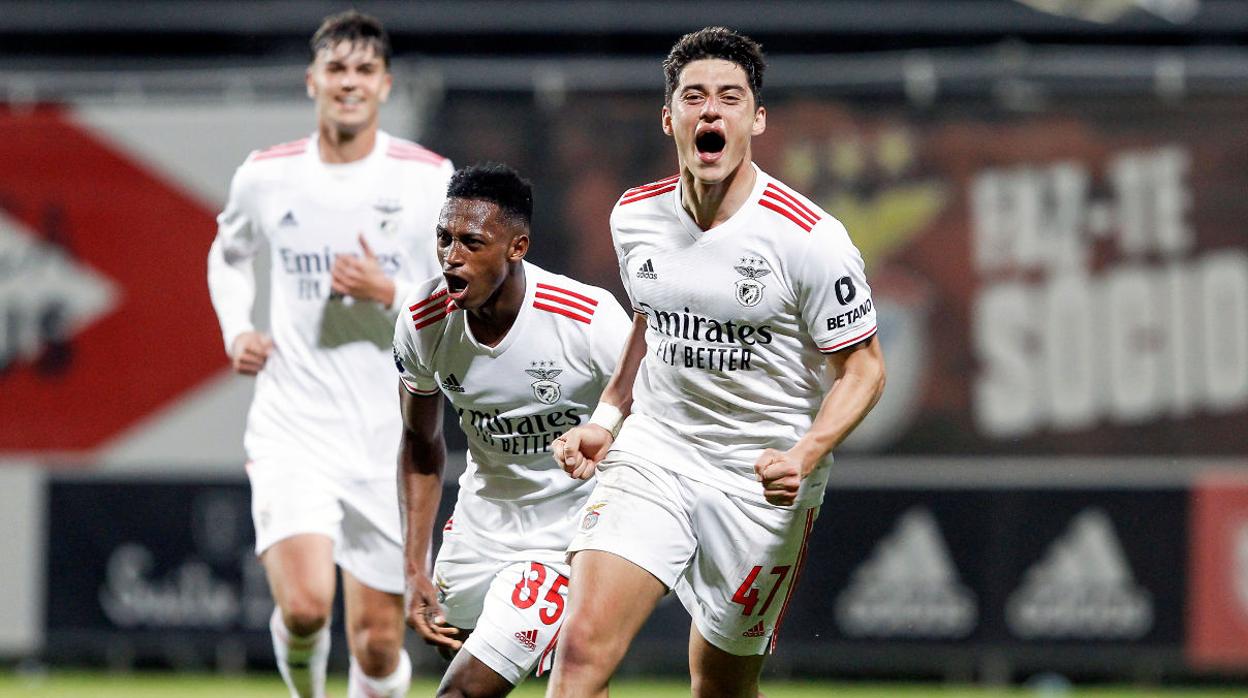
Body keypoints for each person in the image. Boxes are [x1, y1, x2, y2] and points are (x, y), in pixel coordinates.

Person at [548, 26, 887, 698]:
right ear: (669, 117)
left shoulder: (809, 238)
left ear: (755, 119)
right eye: (694, 97)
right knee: (581, 648)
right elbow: (651, 324)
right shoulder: (633, 217)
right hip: (657, 455)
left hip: (759, 482)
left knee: (720, 684)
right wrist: (608, 418)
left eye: (730, 99)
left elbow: (866, 369)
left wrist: (805, 454)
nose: (711, 112)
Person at [206, 10, 453, 698]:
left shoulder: (427, 178)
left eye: (364, 71)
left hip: (389, 436)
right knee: (307, 605)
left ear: (385, 85)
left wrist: (392, 290)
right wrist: (236, 330)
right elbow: (228, 256)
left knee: (376, 645)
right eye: (337, 70)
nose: (350, 83)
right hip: (295, 425)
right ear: (312, 81)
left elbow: (461, 294)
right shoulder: (267, 175)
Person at [392, 163, 631, 696]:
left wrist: (604, 436)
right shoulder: (423, 320)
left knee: (460, 692)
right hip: (482, 525)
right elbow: (419, 444)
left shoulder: (586, 318)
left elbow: (655, 408)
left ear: (517, 247)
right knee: (549, 671)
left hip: (568, 532)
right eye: (444, 239)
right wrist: (414, 566)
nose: (452, 257)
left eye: (472, 243)